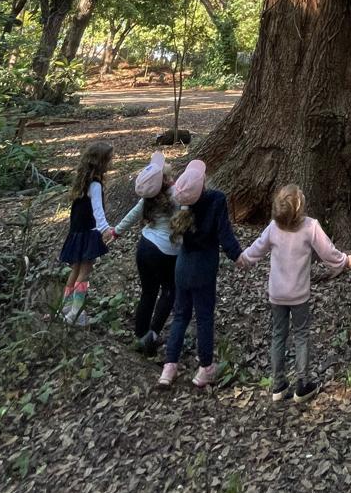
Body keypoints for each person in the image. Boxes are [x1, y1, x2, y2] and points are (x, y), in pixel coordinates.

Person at [240, 183, 351, 403]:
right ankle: (302, 383)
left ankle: (278, 384)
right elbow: (328, 251)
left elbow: (256, 249)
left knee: (278, 335)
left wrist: (242, 258)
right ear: (300, 206)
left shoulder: (274, 227)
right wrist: (344, 261)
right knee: (301, 335)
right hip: (299, 295)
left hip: (277, 294)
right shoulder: (310, 227)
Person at [158, 160, 246, 388]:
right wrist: (238, 256)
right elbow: (225, 234)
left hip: (182, 267)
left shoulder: (181, 204)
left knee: (180, 315)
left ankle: (169, 367)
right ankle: (205, 368)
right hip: (203, 269)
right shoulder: (216, 199)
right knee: (204, 317)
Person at [113, 151, 180, 355]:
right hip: (165, 252)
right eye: (170, 176)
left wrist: (116, 231)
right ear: (167, 180)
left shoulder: (148, 198)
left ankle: (140, 334)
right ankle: (152, 335)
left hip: (144, 246)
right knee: (169, 290)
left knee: (148, 292)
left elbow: (133, 215)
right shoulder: (177, 195)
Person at [58, 140, 115, 326]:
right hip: (88, 234)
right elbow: (98, 211)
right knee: (85, 272)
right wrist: (106, 230)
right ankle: (75, 314)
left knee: (75, 270)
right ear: (100, 162)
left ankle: (65, 308)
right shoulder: (95, 185)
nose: (111, 163)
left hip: (76, 232)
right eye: (109, 160)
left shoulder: (81, 183)